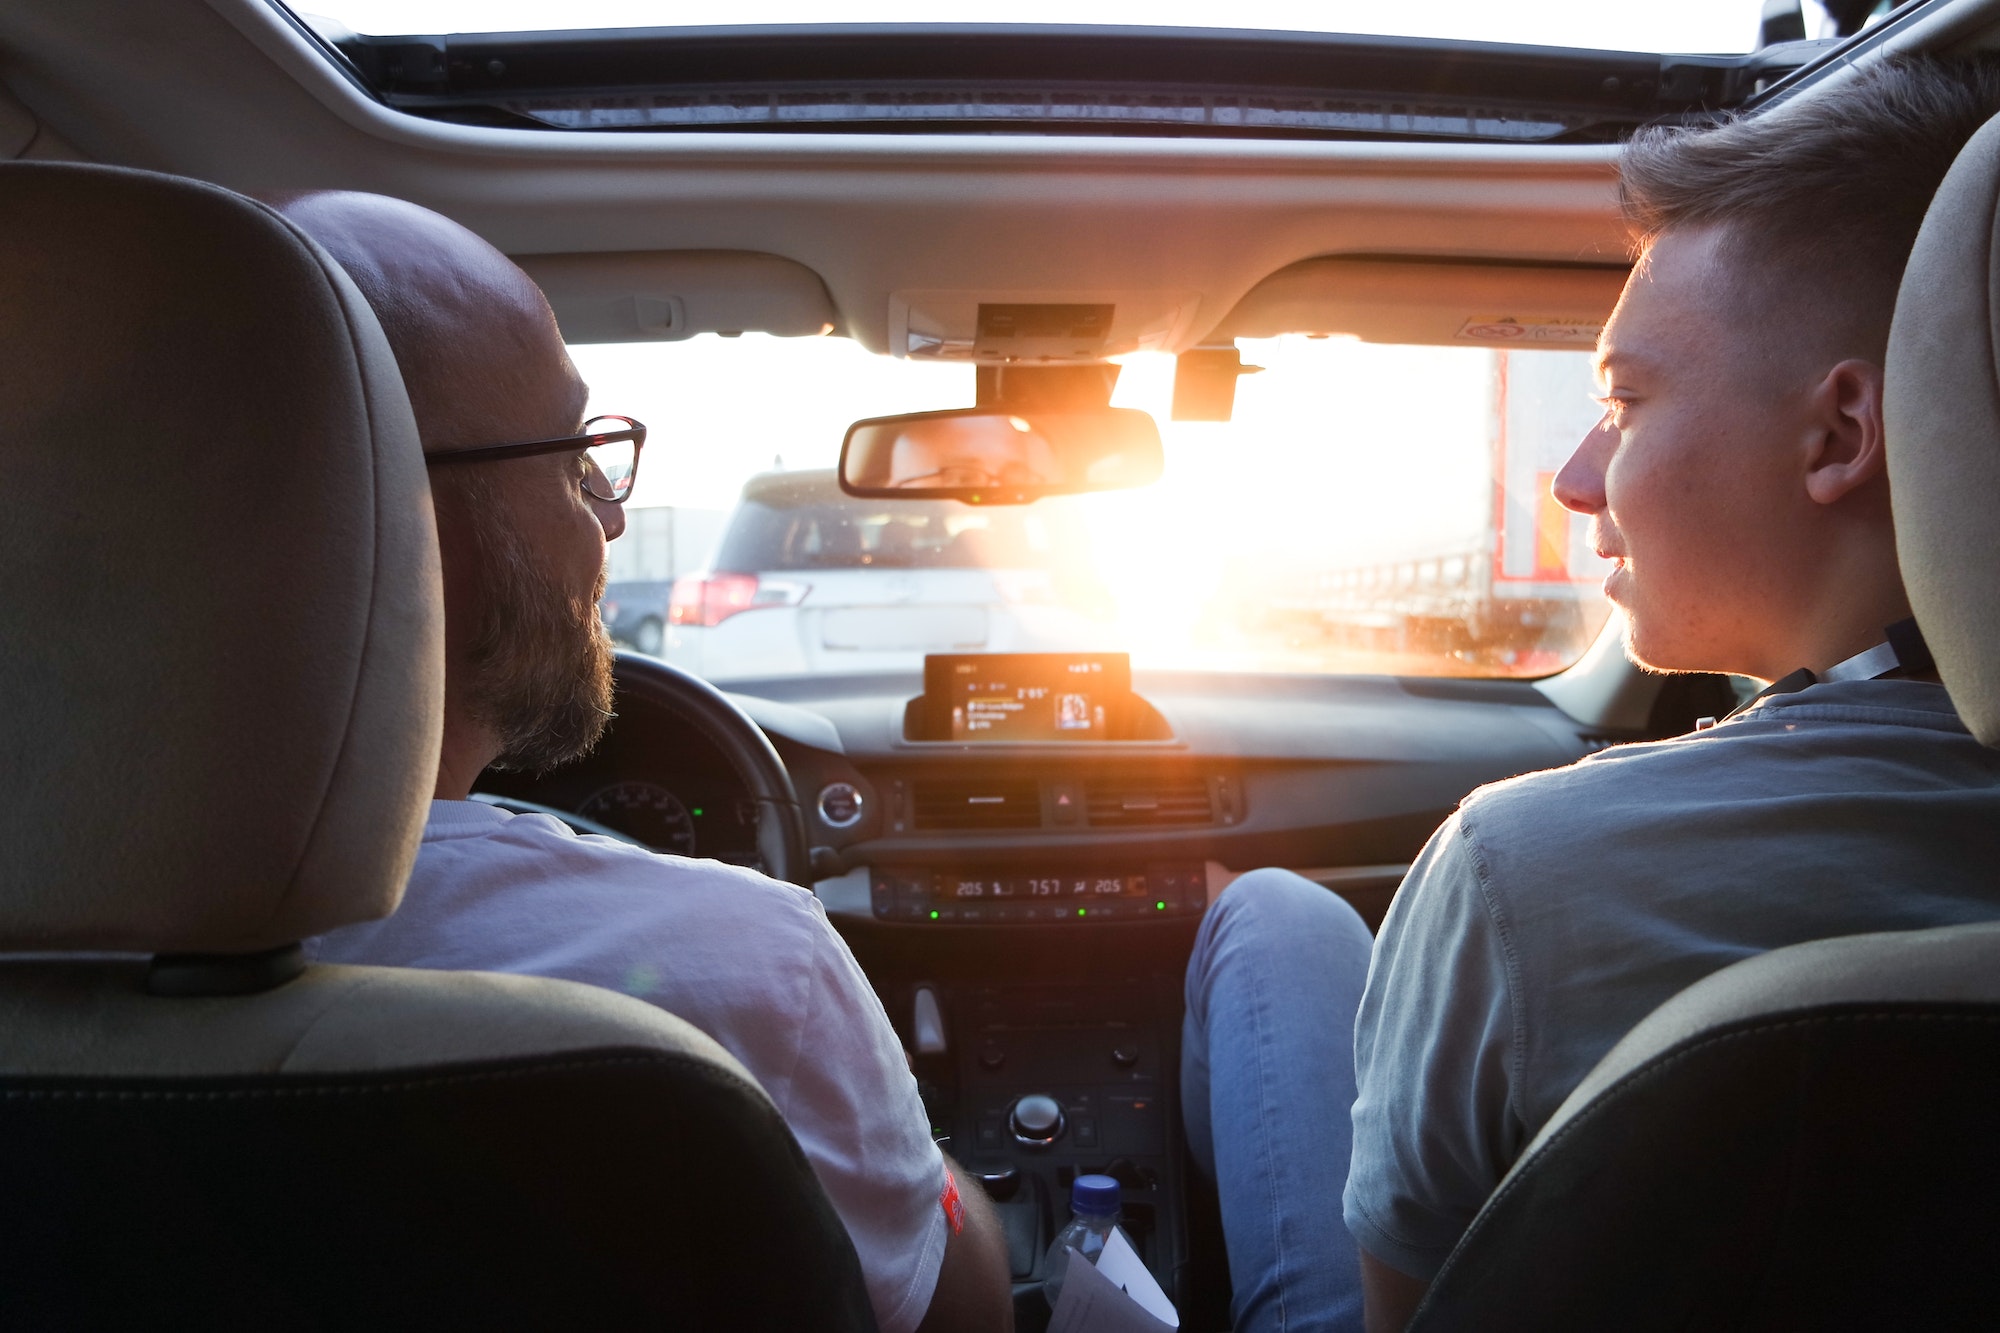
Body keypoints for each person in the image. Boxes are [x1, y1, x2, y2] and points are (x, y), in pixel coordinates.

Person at [1182, 54, 2000, 1333]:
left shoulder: (1518, 871)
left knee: (1273, 920)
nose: (1571, 477)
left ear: (1840, 436)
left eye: (1621, 399)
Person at [270, 190, 1012, 1333]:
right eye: (575, 461)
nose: (609, 519)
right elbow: (961, 1313)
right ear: (409, 524)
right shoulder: (746, 961)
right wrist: (929, 1166)